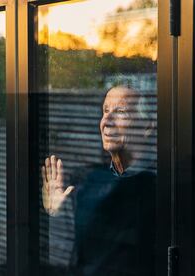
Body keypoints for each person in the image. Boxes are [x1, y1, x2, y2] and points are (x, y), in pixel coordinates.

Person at [41, 85, 156, 275]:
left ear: (146, 127)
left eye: (120, 112)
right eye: (105, 111)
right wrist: (57, 214)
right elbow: (74, 257)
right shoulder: (90, 181)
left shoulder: (159, 184)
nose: (106, 121)